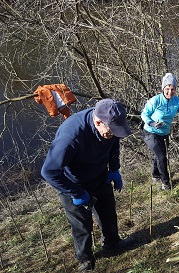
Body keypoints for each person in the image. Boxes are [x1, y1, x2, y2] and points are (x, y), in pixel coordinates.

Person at [41, 99, 133, 272]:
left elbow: (114, 142)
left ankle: (112, 243)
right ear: (98, 122)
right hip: (73, 183)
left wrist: (114, 168)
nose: (113, 134)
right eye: (111, 131)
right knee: (82, 226)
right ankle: (85, 259)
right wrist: (76, 193)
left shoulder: (110, 121)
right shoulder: (71, 136)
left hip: (99, 176)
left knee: (108, 214)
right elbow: (49, 171)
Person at [141, 73, 179, 190]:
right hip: (150, 132)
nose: (170, 92)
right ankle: (165, 183)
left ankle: (155, 175)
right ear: (163, 89)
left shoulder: (177, 101)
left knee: (159, 155)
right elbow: (144, 114)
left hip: (164, 133)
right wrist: (152, 123)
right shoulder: (155, 100)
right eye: (167, 89)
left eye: (172, 89)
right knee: (162, 157)